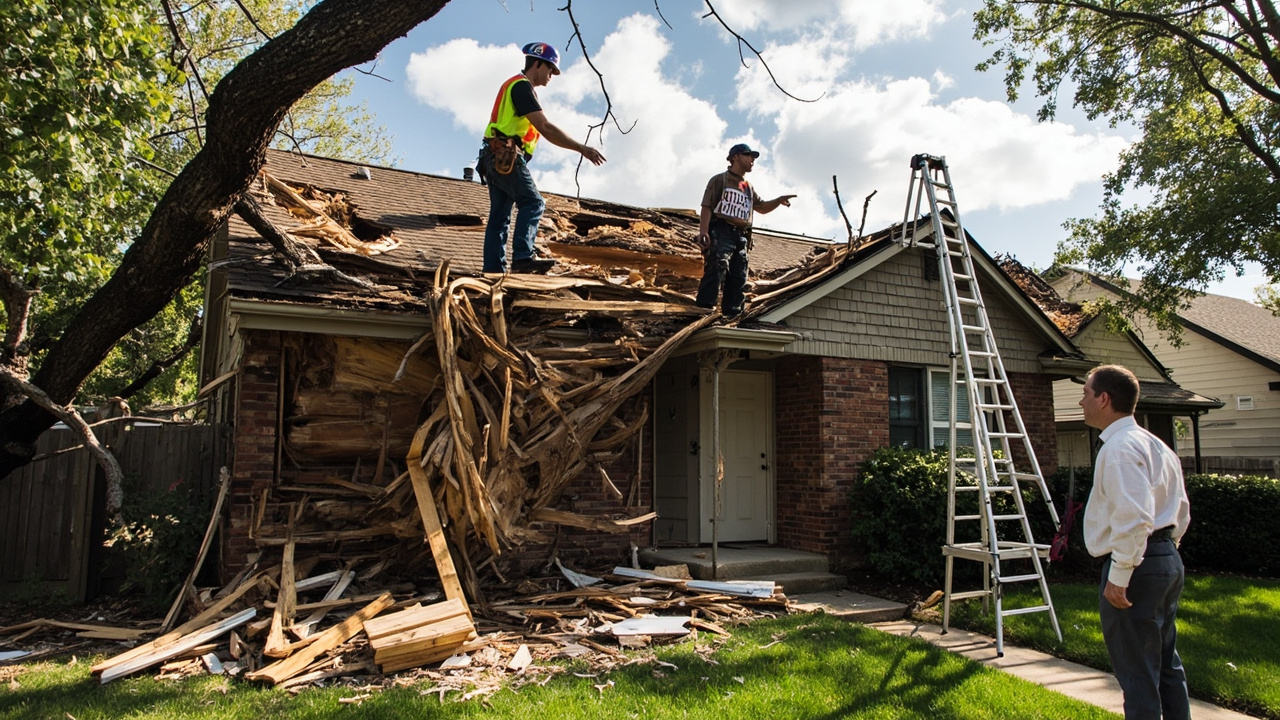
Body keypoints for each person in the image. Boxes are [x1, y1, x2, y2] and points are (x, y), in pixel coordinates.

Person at [1079, 364, 1191, 720]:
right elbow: (1181, 510)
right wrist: (1164, 553)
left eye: (1085, 393)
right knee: (1166, 665)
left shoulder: (1119, 449)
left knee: (1137, 673)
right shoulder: (1156, 445)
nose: (1081, 401)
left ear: (1104, 398)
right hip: (1165, 557)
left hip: (1138, 564)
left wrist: (1120, 574)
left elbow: (1134, 516)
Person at [478, 42, 606, 274]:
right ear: (536, 64)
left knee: (499, 218)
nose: (551, 75)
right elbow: (544, 127)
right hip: (505, 156)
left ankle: (493, 272)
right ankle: (523, 258)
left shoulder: (514, 86)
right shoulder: (521, 87)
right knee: (534, 203)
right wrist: (581, 148)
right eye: (550, 69)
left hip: (493, 157)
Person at [696, 143, 795, 315]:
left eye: (753, 157)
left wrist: (778, 200)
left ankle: (733, 312)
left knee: (739, 273)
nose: (752, 160)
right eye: (748, 155)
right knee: (718, 265)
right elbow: (707, 206)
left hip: (741, 235)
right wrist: (703, 232)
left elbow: (761, 207)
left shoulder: (748, 187)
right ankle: (705, 307)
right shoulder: (720, 180)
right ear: (735, 157)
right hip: (722, 229)